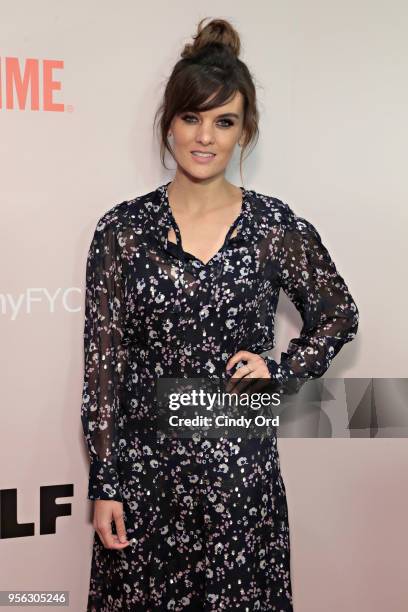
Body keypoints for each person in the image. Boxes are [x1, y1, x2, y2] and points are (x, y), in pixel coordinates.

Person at [80, 17, 359, 612]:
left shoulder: (272, 227)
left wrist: (279, 375)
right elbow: (103, 368)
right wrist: (106, 483)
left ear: (244, 132)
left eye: (223, 121)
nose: (204, 137)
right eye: (191, 118)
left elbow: (339, 313)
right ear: (169, 125)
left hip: (240, 475)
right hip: (146, 478)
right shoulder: (122, 231)